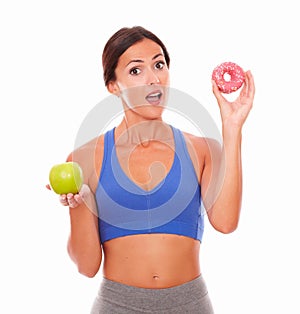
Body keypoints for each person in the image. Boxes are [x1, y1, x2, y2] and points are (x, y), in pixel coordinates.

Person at [48, 26, 255, 313]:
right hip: (116, 304)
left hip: (190, 304)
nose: (153, 78)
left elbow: (226, 222)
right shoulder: (83, 158)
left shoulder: (201, 149)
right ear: (113, 85)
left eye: (159, 65)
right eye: (136, 71)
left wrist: (232, 129)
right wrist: (78, 203)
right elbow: (86, 266)